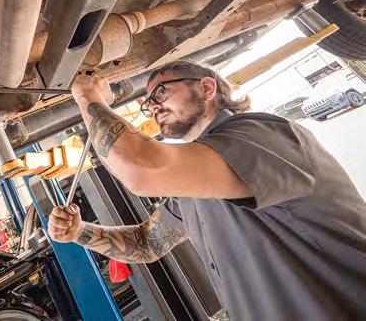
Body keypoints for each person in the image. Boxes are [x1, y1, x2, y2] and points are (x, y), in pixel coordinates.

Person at [48, 60, 366, 320]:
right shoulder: (192, 184)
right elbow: (147, 243)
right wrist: (79, 232)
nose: (152, 105)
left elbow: (140, 167)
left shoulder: (264, 135)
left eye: (161, 92)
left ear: (207, 87)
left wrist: (89, 96)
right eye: (149, 101)